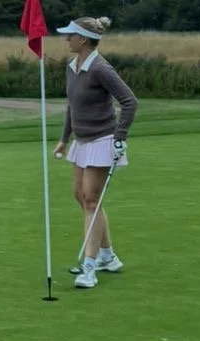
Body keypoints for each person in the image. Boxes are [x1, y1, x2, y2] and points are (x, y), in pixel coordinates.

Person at [52, 15, 137, 289]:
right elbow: (71, 105)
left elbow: (129, 102)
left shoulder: (101, 68)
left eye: (71, 35)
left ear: (84, 39)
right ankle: (108, 256)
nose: (66, 39)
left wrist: (120, 137)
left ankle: (89, 268)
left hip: (103, 140)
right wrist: (64, 138)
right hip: (81, 141)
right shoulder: (72, 66)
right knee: (82, 197)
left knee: (91, 200)